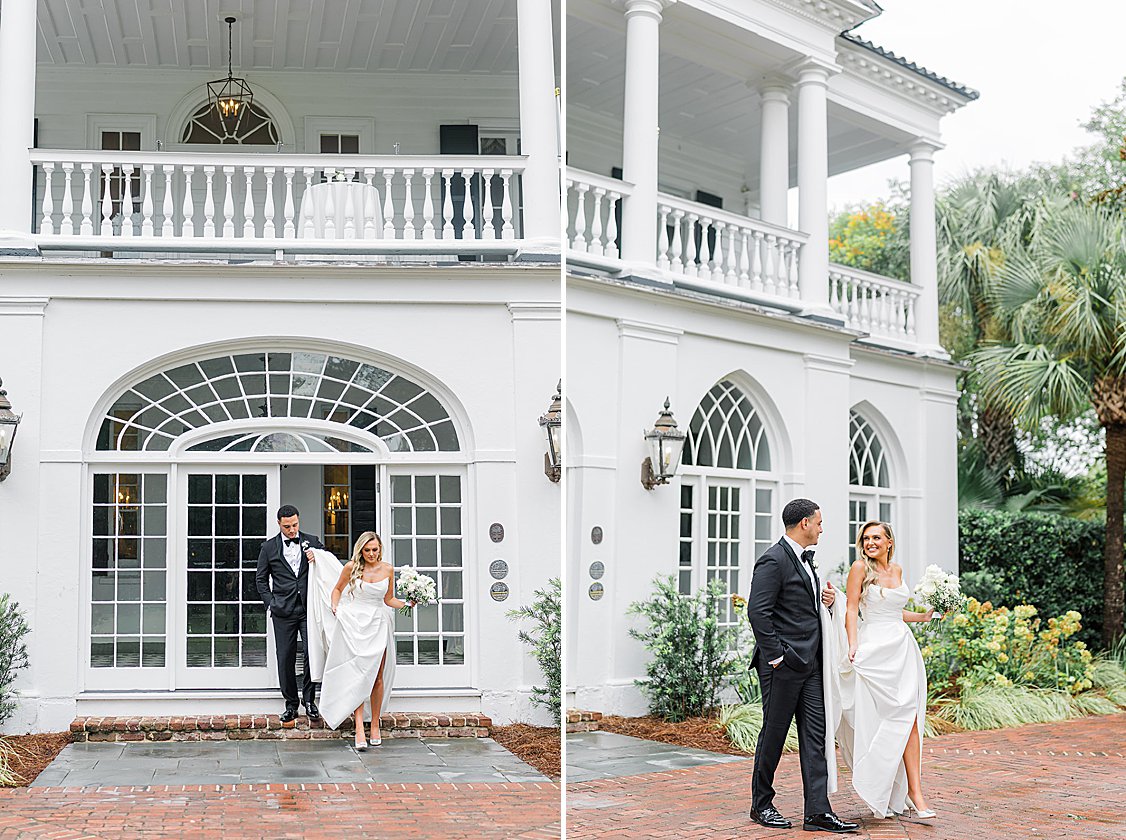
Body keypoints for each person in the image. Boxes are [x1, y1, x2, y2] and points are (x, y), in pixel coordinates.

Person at [746, 498, 859, 834]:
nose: (822, 528)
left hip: (810, 664)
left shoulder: (808, 561)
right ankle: (761, 805)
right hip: (782, 666)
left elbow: (799, 608)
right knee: (774, 735)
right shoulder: (773, 560)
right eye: (819, 522)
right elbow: (758, 612)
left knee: (816, 736)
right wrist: (777, 657)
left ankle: (818, 812)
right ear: (804, 523)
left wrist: (824, 601)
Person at [835, 520, 938, 820]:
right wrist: (853, 644)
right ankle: (881, 783)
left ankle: (915, 793)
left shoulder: (898, 571)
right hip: (875, 652)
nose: (870, 543)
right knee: (884, 720)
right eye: (866, 538)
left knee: (910, 719)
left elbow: (895, 611)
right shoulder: (859, 569)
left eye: (877, 538)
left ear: (890, 542)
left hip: (902, 650)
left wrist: (923, 616)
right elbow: (852, 608)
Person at [319, 532, 413, 750]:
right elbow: (337, 590)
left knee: (377, 676)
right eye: (367, 550)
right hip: (355, 624)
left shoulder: (388, 569)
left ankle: (375, 724)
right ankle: (359, 726)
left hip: (378, 624)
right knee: (359, 675)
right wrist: (335, 607)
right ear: (361, 550)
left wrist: (407, 604)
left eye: (375, 549)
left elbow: (388, 599)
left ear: (380, 548)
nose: (371, 553)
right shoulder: (351, 567)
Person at [255, 504, 325, 723]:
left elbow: (328, 565)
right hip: (282, 610)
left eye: (295, 525)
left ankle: (310, 701)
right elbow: (260, 579)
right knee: (285, 657)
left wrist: (318, 557)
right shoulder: (268, 548)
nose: (292, 530)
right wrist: (271, 604)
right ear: (279, 524)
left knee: (311, 654)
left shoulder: (312, 541)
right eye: (287, 527)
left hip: (308, 608)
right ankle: (290, 704)